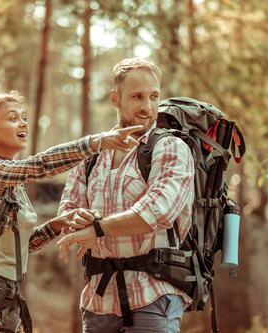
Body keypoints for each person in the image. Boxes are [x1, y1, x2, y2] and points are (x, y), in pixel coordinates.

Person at [0, 90, 143, 333]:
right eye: (12, 118)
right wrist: (96, 142)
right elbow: (40, 165)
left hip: (8, 298)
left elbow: (21, 245)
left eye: (23, 117)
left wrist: (57, 224)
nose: (23, 123)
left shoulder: (13, 184)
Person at [56, 58, 195, 332]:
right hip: (98, 300)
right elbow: (67, 213)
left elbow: (157, 213)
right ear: (115, 98)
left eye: (154, 96)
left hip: (154, 295)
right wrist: (75, 221)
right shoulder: (92, 154)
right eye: (137, 96)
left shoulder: (170, 148)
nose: (147, 107)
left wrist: (96, 228)